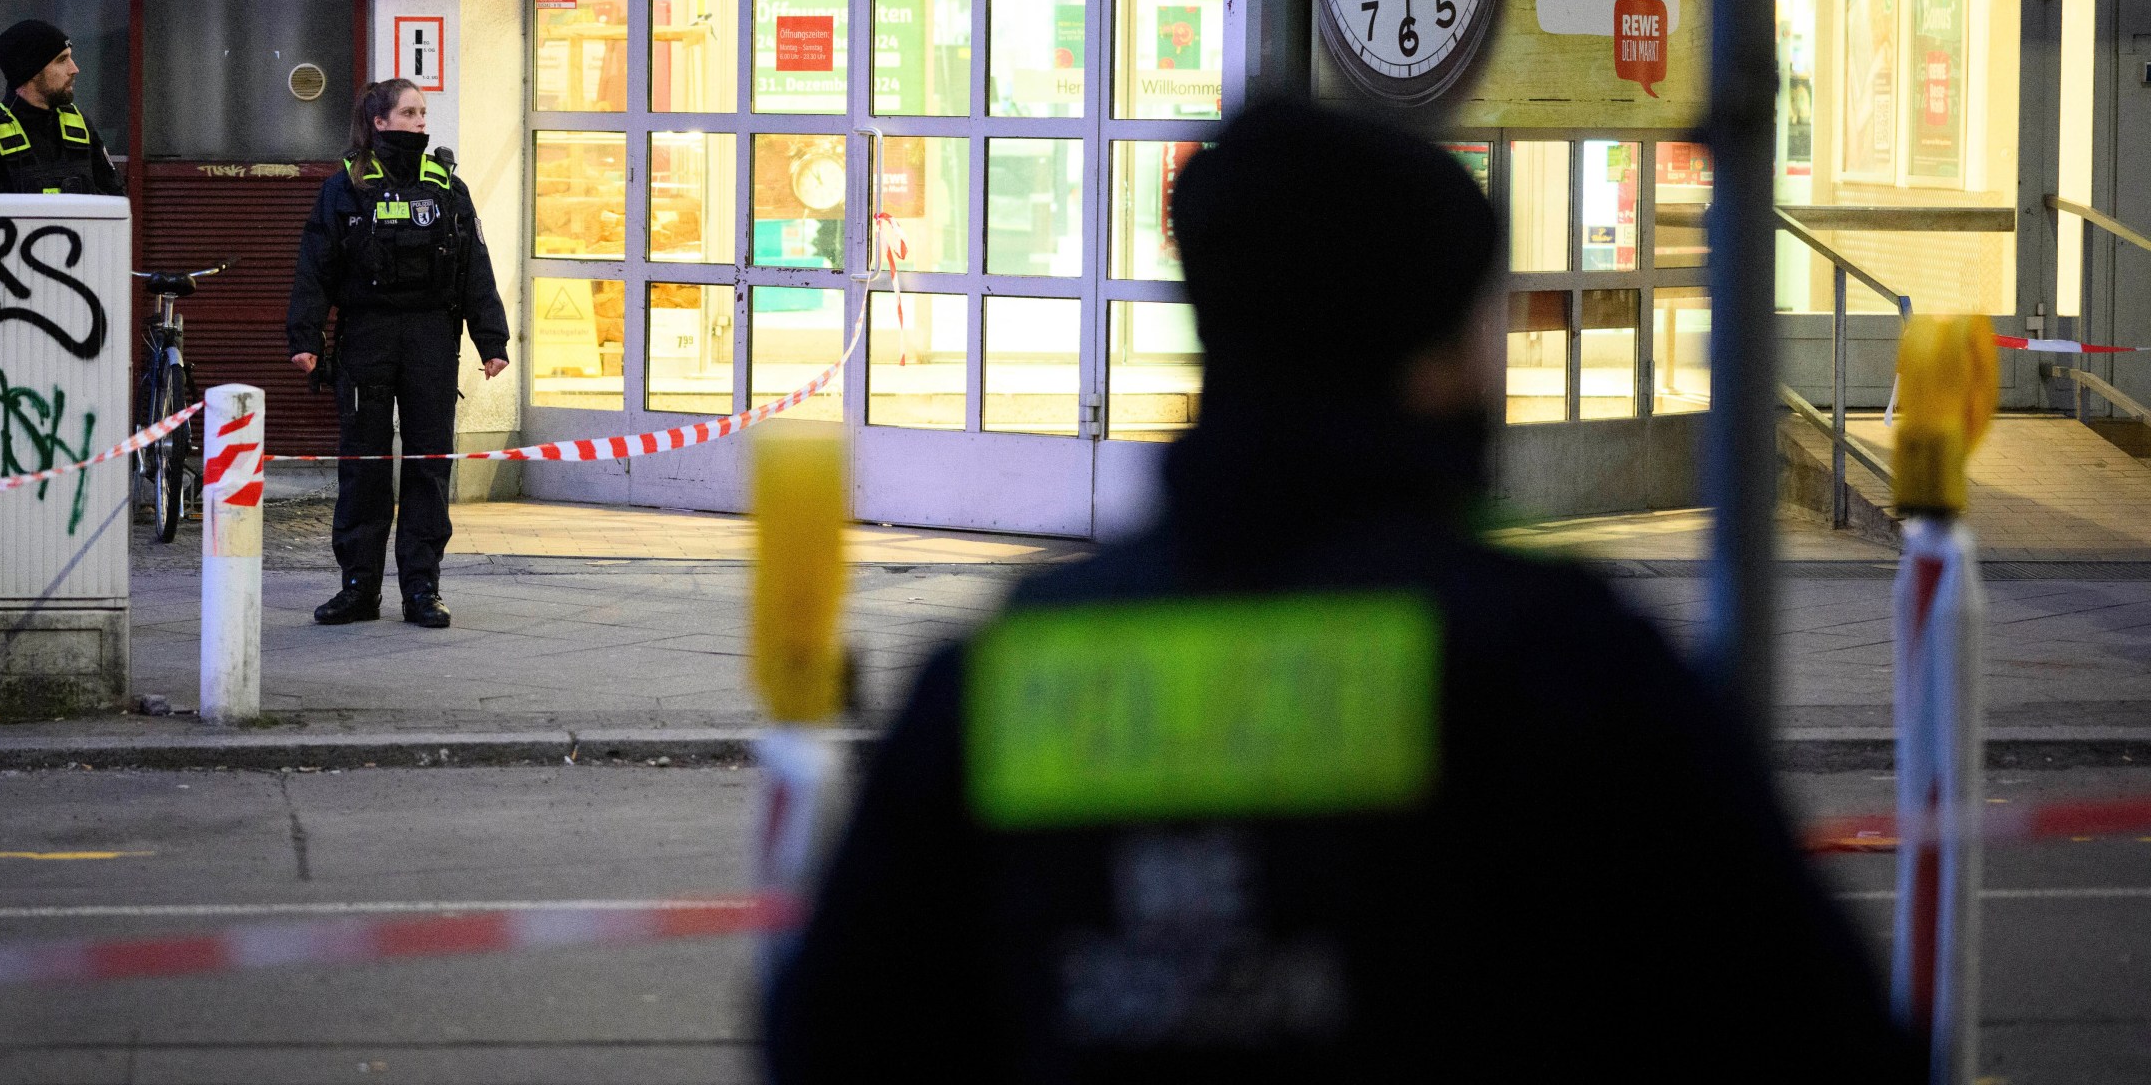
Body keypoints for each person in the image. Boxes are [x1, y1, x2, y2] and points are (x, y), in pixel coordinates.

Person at [764, 100, 1918, 1082]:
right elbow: (1809, 1028)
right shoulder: (1560, 669)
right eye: (1483, 318)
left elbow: (831, 1035)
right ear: (1430, 358)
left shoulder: (1004, 674)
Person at [285, 80, 510, 629]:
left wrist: (492, 340)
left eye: (423, 112)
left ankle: (422, 588)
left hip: (433, 337)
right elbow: (315, 266)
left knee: (429, 463)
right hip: (367, 336)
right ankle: (359, 588)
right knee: (363, 464)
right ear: (379, 122)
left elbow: (474, 265)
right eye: (408, 112)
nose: (419, 121)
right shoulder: (346, 186)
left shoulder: (446, 186)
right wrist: (305, 338)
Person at [0, 19, 126, 195]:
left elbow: (116, 203)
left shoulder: (80, 127)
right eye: (61, 60)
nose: (74, 69)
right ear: (31, 71)